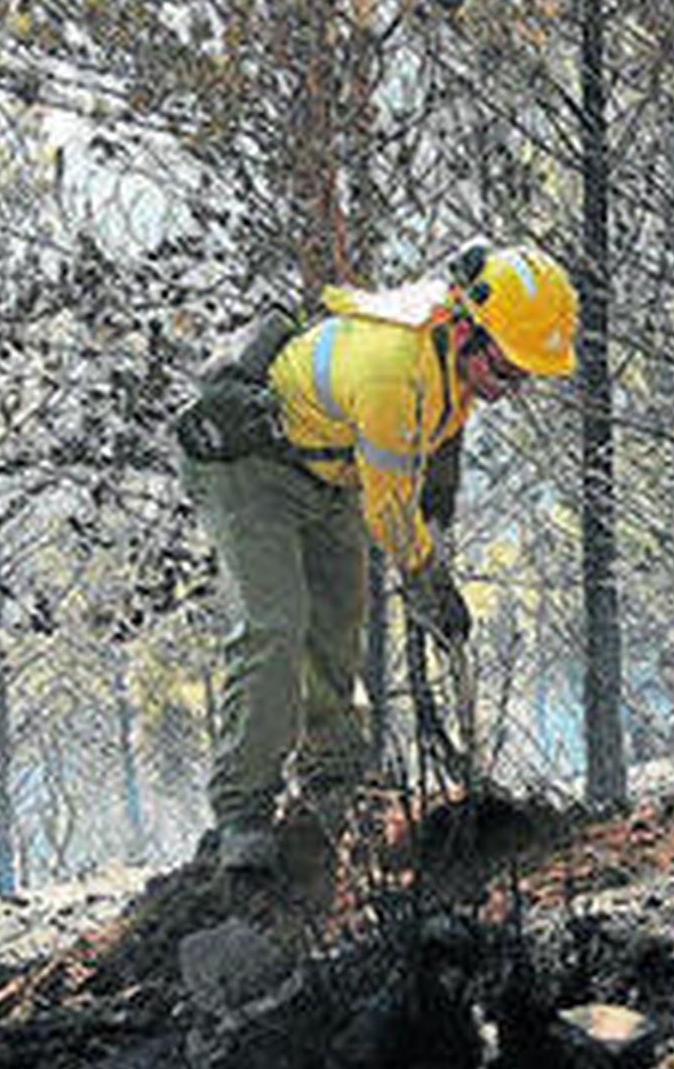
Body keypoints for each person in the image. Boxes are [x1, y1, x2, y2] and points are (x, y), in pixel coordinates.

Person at [177, 240, 577, 873]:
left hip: (330, 469)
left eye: (524, 375)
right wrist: (427, 580)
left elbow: (423, 462)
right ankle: (243, 816)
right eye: (507, 370)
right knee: (275, 629)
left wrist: (433, 536)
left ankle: (334, 786)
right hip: (252, 468)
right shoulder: (399, 372)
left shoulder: (449, 351)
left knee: (336, 630)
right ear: (467, 329)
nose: (512, 387)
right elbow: (389, 510)